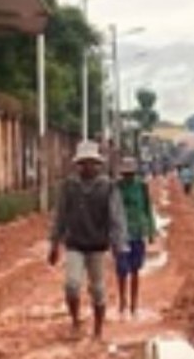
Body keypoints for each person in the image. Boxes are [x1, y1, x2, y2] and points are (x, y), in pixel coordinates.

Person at [48, 141, 128, 341]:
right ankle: (75, 320)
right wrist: (54, 243)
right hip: (75, 244)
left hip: (97, 246)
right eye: (83, 163)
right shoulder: (69, 187)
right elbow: (60, 215)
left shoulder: (107, 187)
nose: (87, 167)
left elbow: (116, 218)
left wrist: (119, 246)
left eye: (91, 163)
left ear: (97, 164)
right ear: (78, 164)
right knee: (72, 285)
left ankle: (98, 331)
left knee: (98, 289)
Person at [114, 157, 157, 317]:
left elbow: (147, 209)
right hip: (120, 234)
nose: (128, 177)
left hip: (137, 233)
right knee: (121, 270)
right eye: (125, 174)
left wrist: (151, 231)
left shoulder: (141, 187)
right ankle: (122, 302)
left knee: (135, 270)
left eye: (130, 174)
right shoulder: (116, 188)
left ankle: (134, 304)